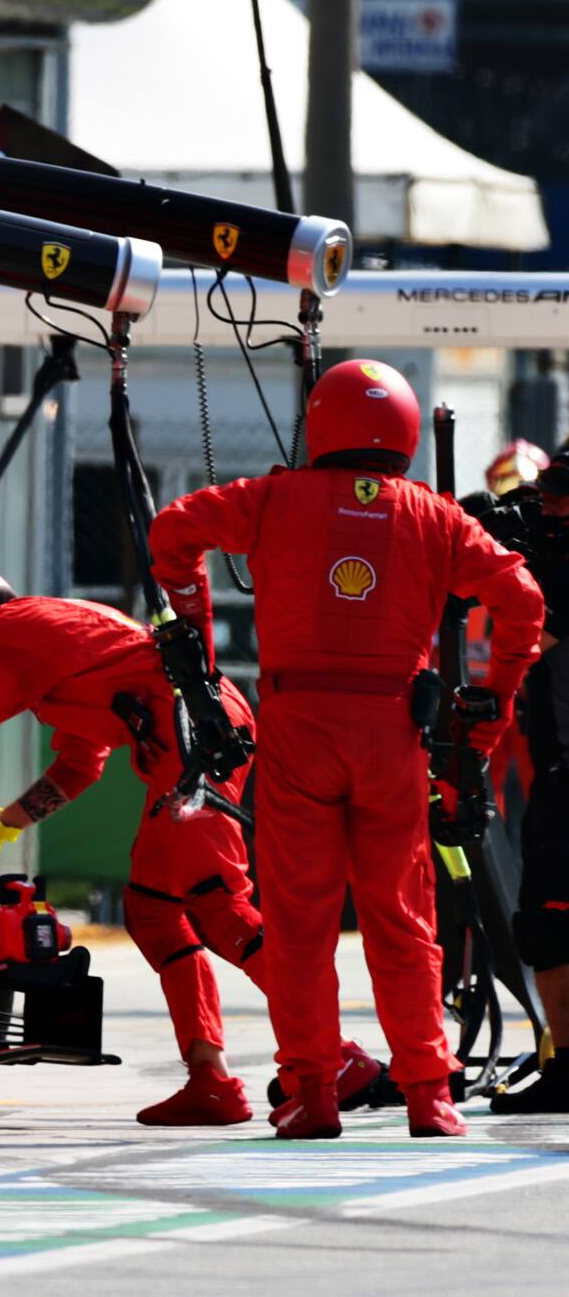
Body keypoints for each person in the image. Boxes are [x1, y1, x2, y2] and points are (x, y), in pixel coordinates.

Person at [151, 359, 544, 1139]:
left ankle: (313, 1092)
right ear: (402, 434)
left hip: (298, 724)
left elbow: (172, 533)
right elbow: (523, 601)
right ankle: (430, 1092)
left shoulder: (269, 498)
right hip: (395, 729)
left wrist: (194, 632)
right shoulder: (435, 518)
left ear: (321, 424)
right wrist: (486, 715)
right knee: (403, 916)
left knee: (301, 924)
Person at [0, 564, 383, 1124]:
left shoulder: (4, 633)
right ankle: (210, 1079)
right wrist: (0, 826)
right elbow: (79, 765)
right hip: (188, 735)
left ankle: (333, 1056)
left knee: (220, 905)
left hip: (193, 736)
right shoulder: (41, 638)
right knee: (153, 912)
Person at [496, 447, 569, 1113]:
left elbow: (535, 637)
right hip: (554, 765)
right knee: (545, 920)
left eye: (559, 498)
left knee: (551, 916)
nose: (548, 509)